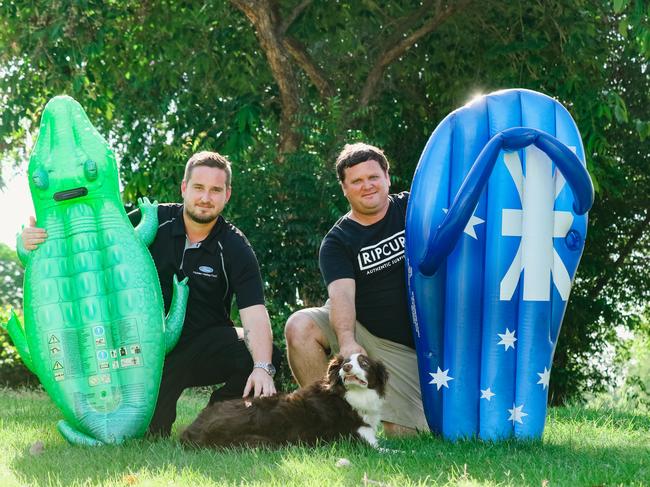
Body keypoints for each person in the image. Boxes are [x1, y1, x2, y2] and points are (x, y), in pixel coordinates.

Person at [21, 151, 281, 437]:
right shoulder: (153, 219)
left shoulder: (235, 247)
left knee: (264, 355)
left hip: (205, 343)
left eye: (215, 190)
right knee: (147, 434)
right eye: (198, 188)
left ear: (226, 195)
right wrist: (33, 236)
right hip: (145, 352)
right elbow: (91, 236)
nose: (205, 197)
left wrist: (262, 367)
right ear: (184, 188)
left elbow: (254, 312)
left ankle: (215, 420)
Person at [284, 142, 427, 436]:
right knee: (300, 327)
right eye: (357, 181)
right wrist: (347, 340)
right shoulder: (337, 242)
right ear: (345, 189)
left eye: (373, 177)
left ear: (387, 177)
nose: (367, 186)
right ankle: (330, 423)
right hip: (360, 326)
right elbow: (341, 296)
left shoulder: (414, 208)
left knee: (408, 434)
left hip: (408, 346)